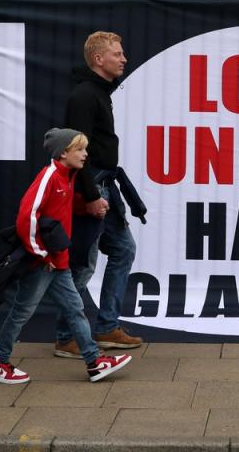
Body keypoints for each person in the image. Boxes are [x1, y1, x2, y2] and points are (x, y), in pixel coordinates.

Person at [0, 128, 133, 384]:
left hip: (57, 261)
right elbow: (27, 216)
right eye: (80, 149)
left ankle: (94, 362)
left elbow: (61, 207)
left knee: (75, 310)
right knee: (22, 312)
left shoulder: (68, 176)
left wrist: (87, 208)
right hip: (42, 263)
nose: (86, 154)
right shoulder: (49, 176)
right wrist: (42, 254)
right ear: (63, 152)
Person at [53, 31, 143, 358]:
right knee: (83, 264)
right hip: (92, 187)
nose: (124, 59)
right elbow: (76, 152)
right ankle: (67, 337)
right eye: (117, 54)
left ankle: (106, 328)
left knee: (122, 249)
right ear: (98, 59)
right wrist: (91, 195)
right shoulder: (84, 97)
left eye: (122, 53)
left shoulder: (99, 93)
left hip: (106, 184)